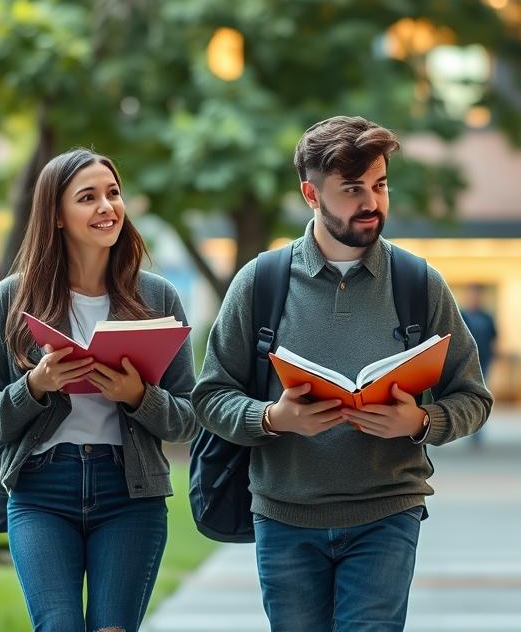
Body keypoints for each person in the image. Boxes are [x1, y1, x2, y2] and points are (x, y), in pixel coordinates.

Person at [192, 115, 493, 632]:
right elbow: (210, 396)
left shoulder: (419, 283)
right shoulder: (260, 282)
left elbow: (473, 398)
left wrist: (419, 423)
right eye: (352, 189)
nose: (371, 202)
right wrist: (272, 418)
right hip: (285, 516)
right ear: (311, 193)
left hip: (387, 511)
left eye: (379, 185)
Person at [0, 149, 198, 632]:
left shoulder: (156, 297)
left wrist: (137, 395)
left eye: (113, 194)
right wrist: (35, 385)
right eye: (87, 198)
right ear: (57, 216)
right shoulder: (12, 299)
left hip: (128, 491)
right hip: (42, 489)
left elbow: (188, 417)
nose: (107, 207)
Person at [459, 285, 497, 446]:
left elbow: (494, 337)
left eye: (477, 295)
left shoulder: (487, 317)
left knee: (481, 395)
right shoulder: (462, 315)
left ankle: (478, 430)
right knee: (466, 394)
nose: (474, 297)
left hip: (484, 361)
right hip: (466, 362)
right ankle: (467, 427)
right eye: (471, 294)